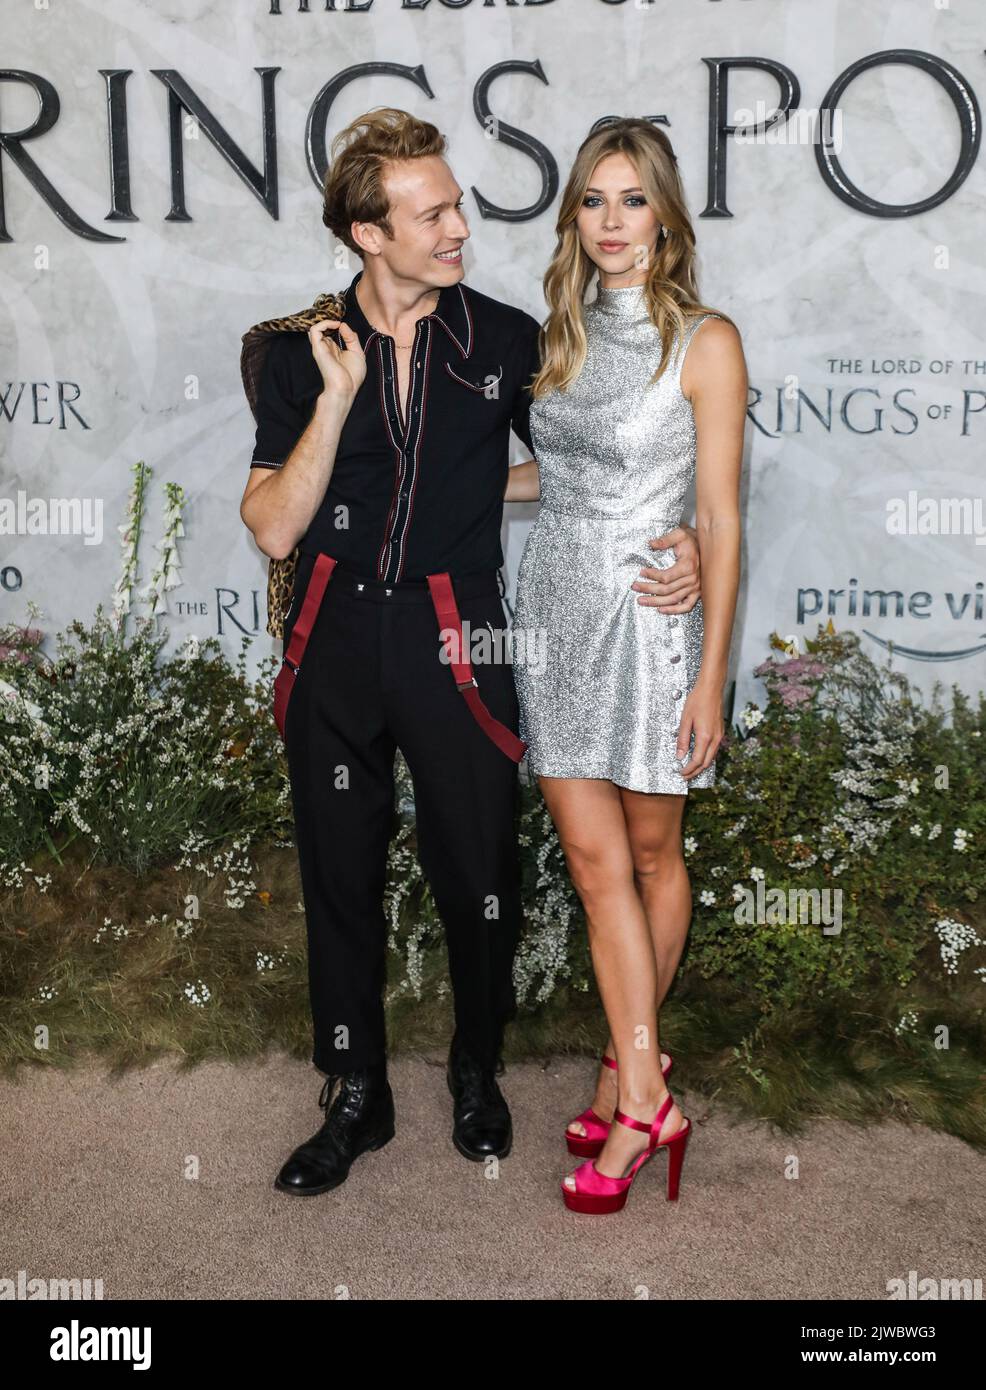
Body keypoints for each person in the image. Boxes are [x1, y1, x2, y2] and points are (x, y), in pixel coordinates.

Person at [239, 107, 707, 1197]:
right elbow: (272, 521)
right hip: (336, 628)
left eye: (455, 204)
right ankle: (353, 1094)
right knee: (339, 872)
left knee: (477, 870)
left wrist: (669, 523)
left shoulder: (505, 341)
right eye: (433, 212)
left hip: (462, 633)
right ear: (369, 232)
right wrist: (338, 400)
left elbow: (599, 457)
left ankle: (475, 1070)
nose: (460, 225)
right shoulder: (291, 352)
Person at [508, 118, 747, 1214]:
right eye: (592, 202)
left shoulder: (704, 340)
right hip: (553, 612)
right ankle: (643, 1087)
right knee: (592, 863)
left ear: (663, 214)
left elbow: (718, 515)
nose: (610, 223)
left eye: (631, 200)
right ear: (574, 218)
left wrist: (709, 678)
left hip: (651, 629)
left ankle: (627, 1076)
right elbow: (548, 477)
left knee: (651, 857)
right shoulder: (553, 335)